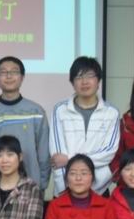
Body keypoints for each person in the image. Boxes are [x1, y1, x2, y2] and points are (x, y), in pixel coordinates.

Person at [50, 56, 120, 196]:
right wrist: (65, 188)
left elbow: (108, 153)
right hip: (65, 191)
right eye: (79, 77)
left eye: (90, 76)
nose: (84, 82)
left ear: (98, 81)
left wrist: (69, 159)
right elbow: (57, 155)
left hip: (99, 189)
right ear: (72, 82)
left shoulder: (111, 112)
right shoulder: (60, 110)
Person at [0, 56, 50, 190]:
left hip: (30, 187)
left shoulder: (36, 111)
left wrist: (42, 185)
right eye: (3, 72)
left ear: (22, 77)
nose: (9, 76)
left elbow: (44, 153)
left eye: (14, 72)